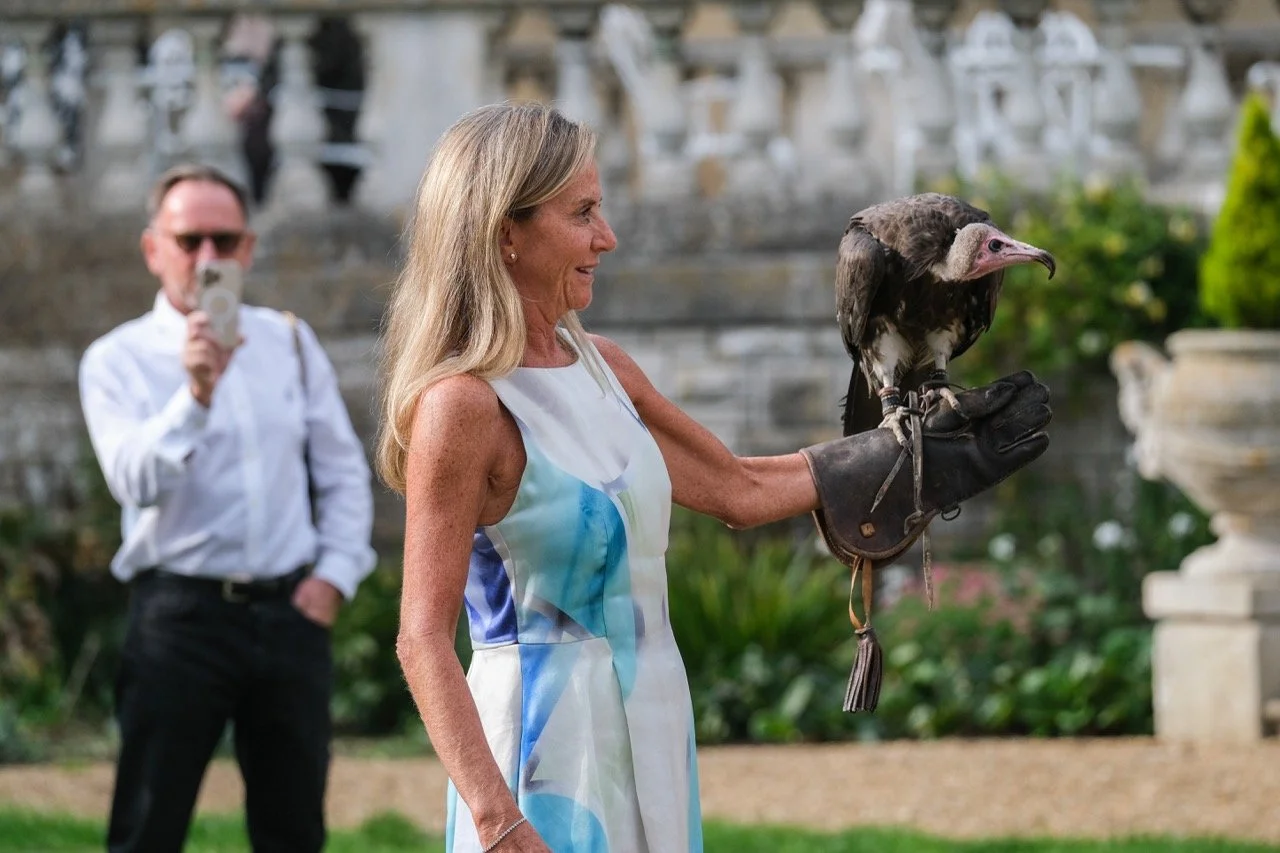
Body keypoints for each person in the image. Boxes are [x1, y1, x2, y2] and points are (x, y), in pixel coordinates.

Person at [378, 103, 1051, 853]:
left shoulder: (605, 369)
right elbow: (421, 637)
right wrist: (496, 819)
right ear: (507, 231)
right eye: (584, 213)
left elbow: (737, 488)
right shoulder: (462, 406)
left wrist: (913, 456)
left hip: (655, 721)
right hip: (541, 756)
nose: (609, 237)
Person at [78, 163, 376, 853]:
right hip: (179, 617)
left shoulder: (289, 341)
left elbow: (340, 470)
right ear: (154, 248)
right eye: (189, 241)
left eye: (225, 239)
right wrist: (195, 394)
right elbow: (133, 480)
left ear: (248, 248)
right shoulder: (116, 359)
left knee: (294, 827)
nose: (208, 258)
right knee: (148, 824)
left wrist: (334, 575)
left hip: (289, 612)